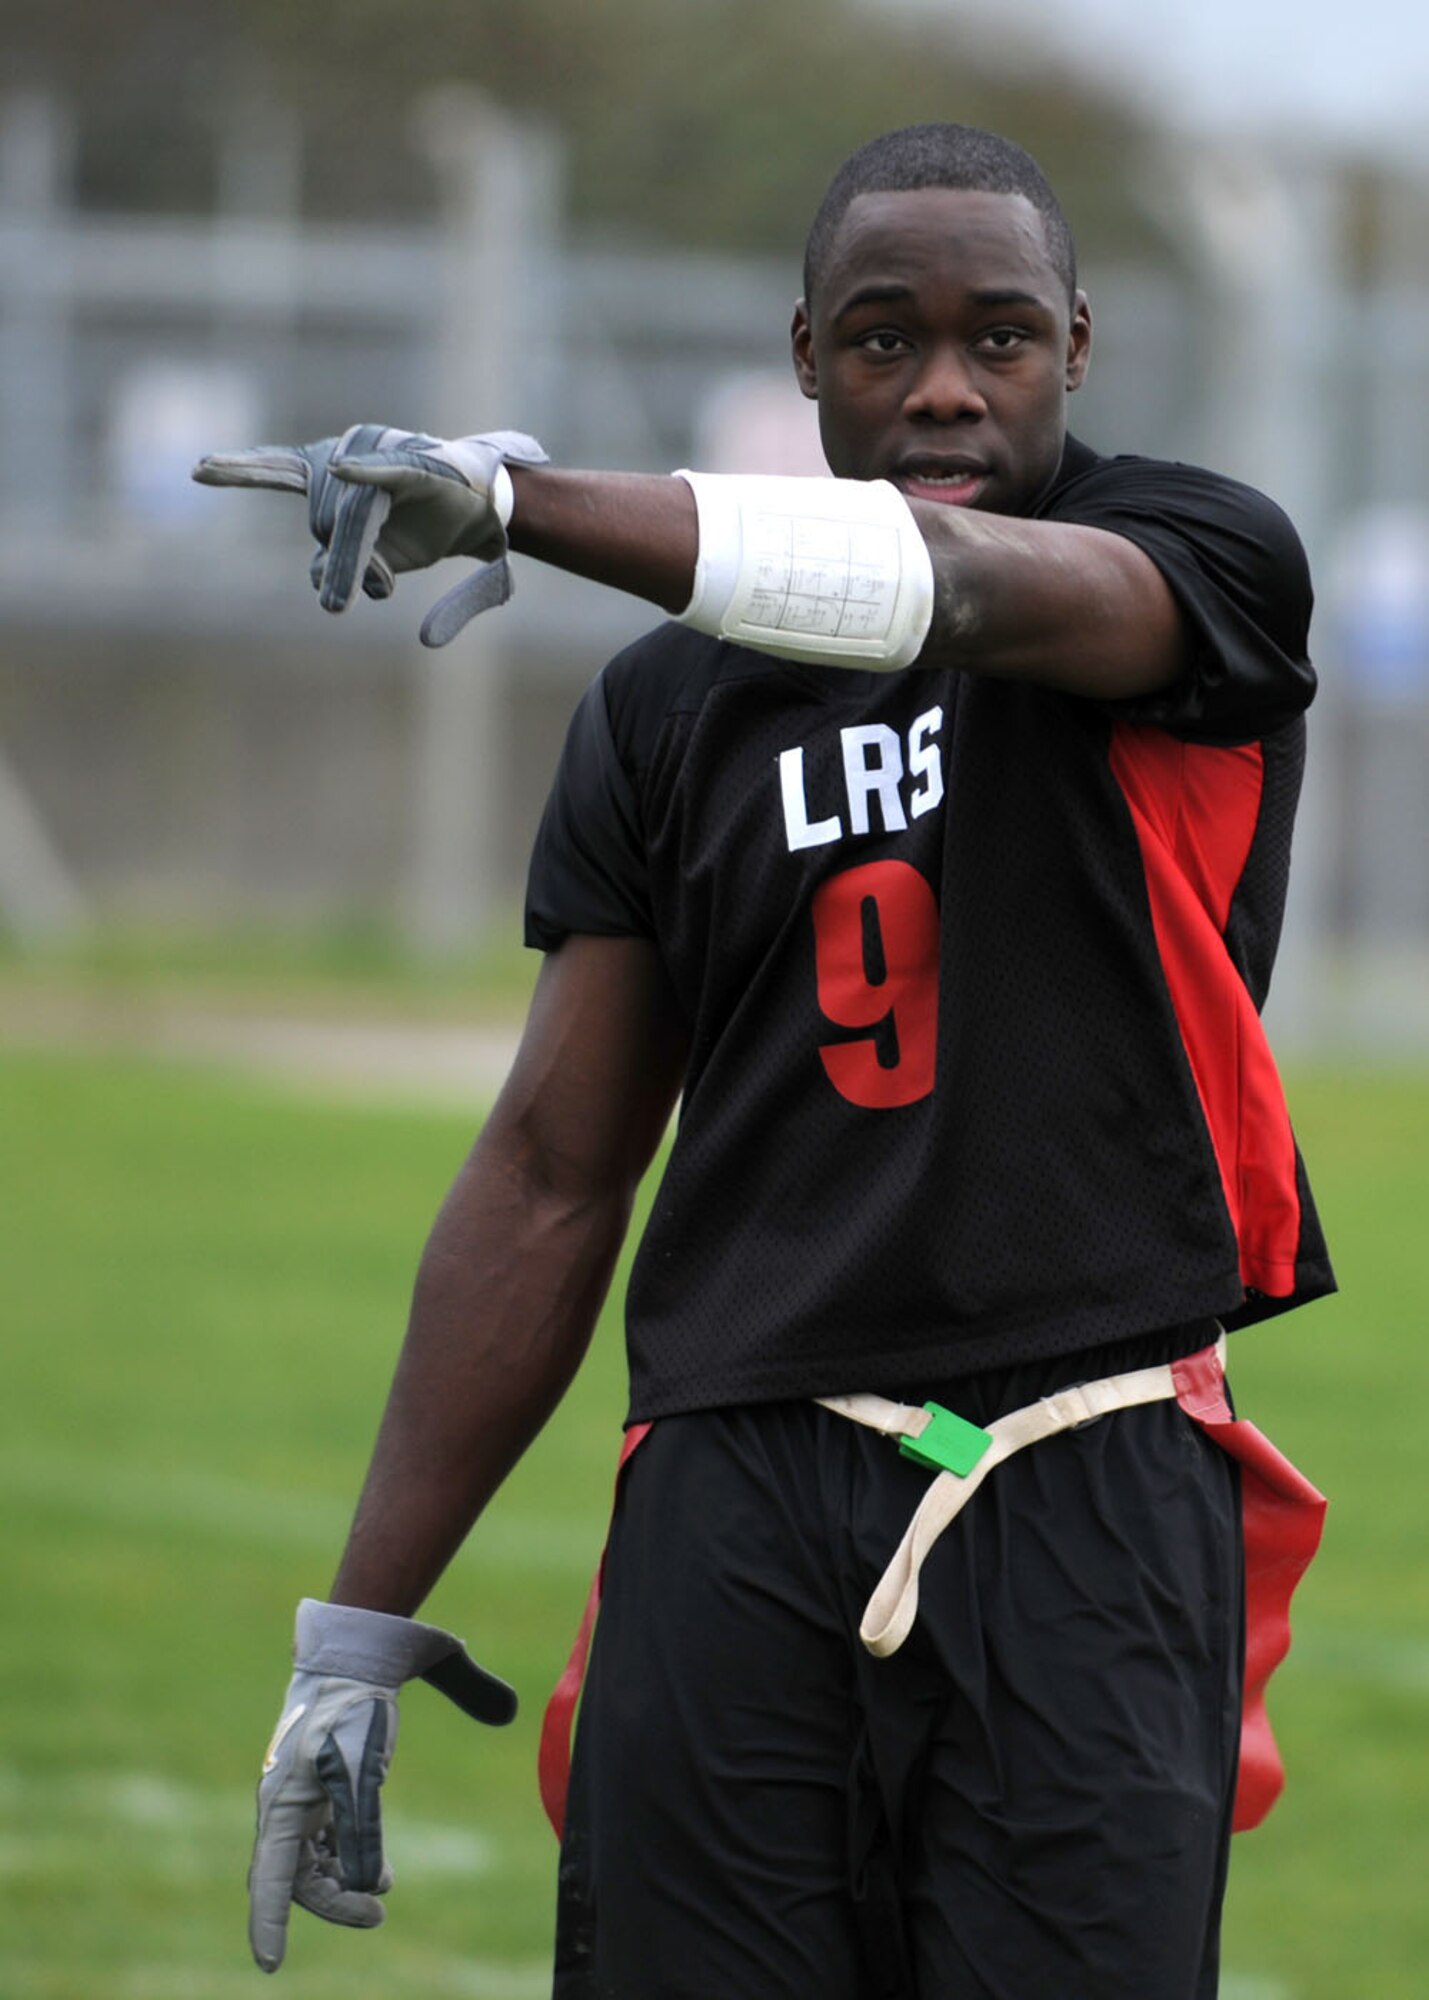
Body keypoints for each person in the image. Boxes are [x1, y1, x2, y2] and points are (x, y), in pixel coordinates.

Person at [199, 124, 1332, 1999]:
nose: (944, 384)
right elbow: (553, 1172)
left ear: (1078, 343)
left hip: (1085, 1466)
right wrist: (357, 1620)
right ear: (806, 355)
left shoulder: (1195, 566)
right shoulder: (660, 706)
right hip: (731, 1484)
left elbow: (945, 585)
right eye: (884, 341)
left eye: (1001, 338)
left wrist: (514, 499)